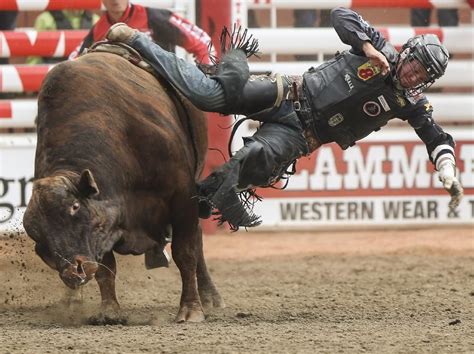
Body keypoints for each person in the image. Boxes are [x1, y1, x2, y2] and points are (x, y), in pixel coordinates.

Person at [104, 7, 464, 230]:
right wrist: (369, 48)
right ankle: (136, 40)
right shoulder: (378, 47)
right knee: (208, 94)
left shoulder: (410, 102)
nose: (415, 76)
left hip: (302, 134)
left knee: (254, 159)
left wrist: (448, 172)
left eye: (424, 75)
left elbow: (436, 138)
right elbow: (340, 15)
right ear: (409, 53)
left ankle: (208, 196)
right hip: (286, 92)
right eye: (417, 65)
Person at [72, 0, 212, 65]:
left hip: (163, 84)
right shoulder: (99, 28)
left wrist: (205, 77)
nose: (115, 0)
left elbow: (203, 43)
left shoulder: (154, 18)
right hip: (116, 89)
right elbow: (73, 61)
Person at [27, 10, 99, 64]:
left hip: (85, 75)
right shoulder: (46, 20)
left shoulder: (96, 20)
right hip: (54, 76)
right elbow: (34, 59)